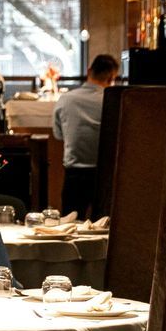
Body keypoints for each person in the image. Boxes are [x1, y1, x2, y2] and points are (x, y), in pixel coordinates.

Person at [52, 53, 121, 218]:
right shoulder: (113, 101)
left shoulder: (66, 99)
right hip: (105, 173)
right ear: (111, 77)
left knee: (71, 222)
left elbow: (58, 135)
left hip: (74, 173)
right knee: (104, 224)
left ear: (89, 71)